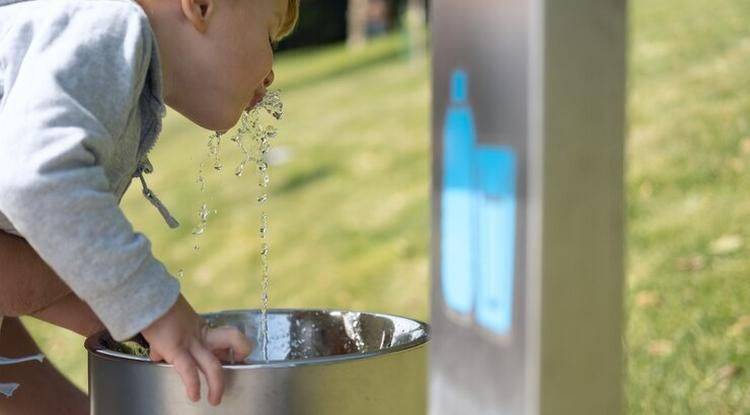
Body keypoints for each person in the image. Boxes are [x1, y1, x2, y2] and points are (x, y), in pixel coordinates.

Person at [0, 0, 299, 412]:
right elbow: (36, 180)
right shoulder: (108, 29)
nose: (270, 72)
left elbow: (19, 275)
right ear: (201, 6)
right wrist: (158, 311)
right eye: (269, 36)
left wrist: (136, 324)